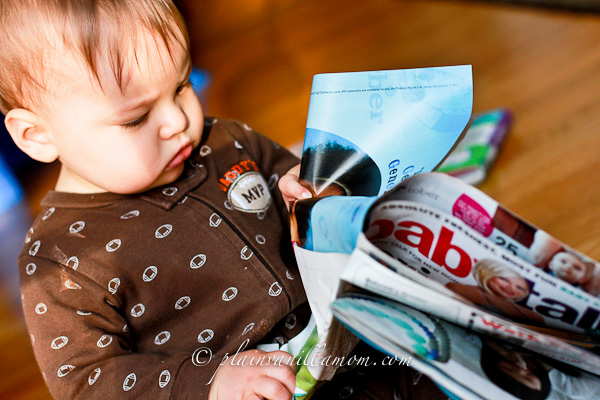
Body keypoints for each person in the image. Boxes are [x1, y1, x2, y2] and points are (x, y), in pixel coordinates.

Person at [0, 1, 450, 399]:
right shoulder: (59, 262)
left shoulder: (228, 141)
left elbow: (297, 194)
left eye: (181, 85)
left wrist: (308, 192)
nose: (178, 120)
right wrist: (209, 383)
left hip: (364, 345)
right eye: (136, 118)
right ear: (37, 136)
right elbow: (88, 383)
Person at [446, 259, 544, 324]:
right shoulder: (457, 289)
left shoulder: (534, 317)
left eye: (520, 288)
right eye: (504, 279)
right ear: (487, 275)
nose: (510, 288)